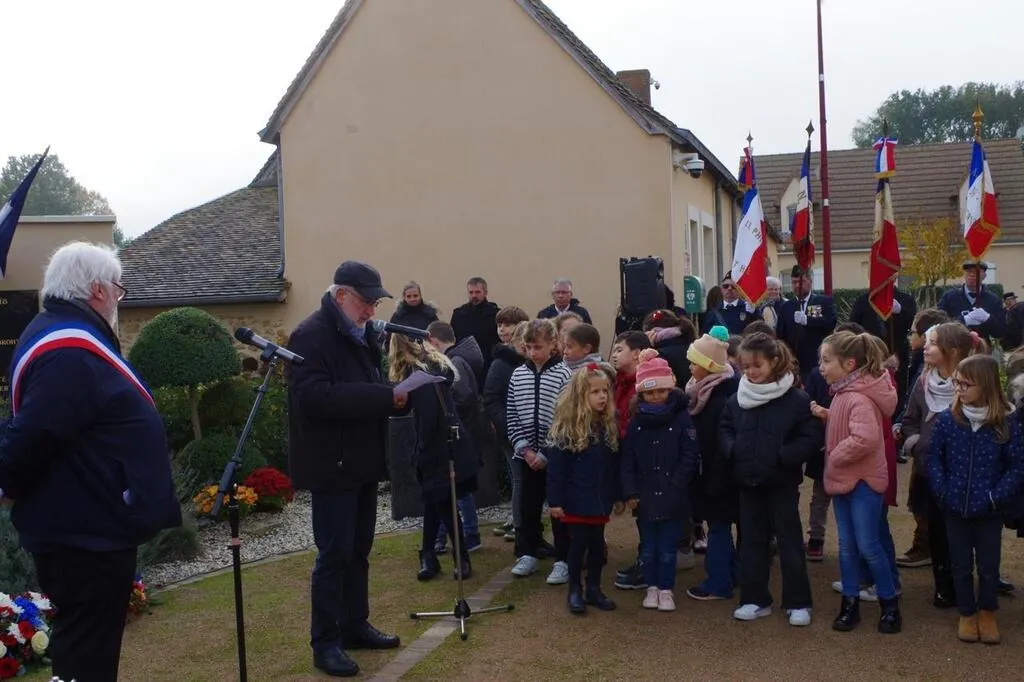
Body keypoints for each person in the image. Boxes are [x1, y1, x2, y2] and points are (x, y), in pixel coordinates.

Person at [0, 241, 181, 682]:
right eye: (118, 290)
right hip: (84, 530)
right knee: (87, 653)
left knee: (90, 648)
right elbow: (36, 432)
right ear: (98, 289)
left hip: (88, 521)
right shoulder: (69, 349)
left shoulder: (64, 334)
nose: (119, 299)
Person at [286, 261, 406, 678]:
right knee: (334, 554)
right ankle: (325, 643)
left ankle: (355, 625)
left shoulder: (358, 334)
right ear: (340, 296)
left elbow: (364, 385)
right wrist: (382, 396)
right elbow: (313, 399)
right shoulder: (310, 335)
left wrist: (394, 393)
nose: (371, 310)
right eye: (366, 301)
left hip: (361, 460)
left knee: (359, 550)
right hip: (331, 464)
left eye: (375, 303)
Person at [719, 332, 822, 627]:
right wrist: (733, 450)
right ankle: (754, 599)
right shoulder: (736, 398)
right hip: (747, 481)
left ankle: (798, 602)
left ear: (774, 362)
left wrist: (784, 456)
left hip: (781, 482)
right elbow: (725, 428)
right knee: (751, 542)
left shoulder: (796, 399)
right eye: (745, 366)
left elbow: (810, 436)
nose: (751, 372)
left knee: (790, 542)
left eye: (757, 365)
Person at [928, 354, 1024, 644]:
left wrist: (996, 497)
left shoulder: (1006, 423)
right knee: (959, 564)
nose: (959, 389)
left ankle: (987, 611)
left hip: (989, 510)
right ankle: (967, 612)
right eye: (957, 383)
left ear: (985, 385)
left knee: (988, 564)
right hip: (954, 506)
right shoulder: (948, 420)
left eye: (965, 384)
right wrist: (942, 491)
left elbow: (1017, 466)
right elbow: (934, 458)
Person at [812, 331, 901, 634]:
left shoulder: (856, 396)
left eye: (826, 361)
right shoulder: (844, 393)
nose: (821, 367)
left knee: (867, 545)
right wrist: (829, 416)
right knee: (848, 546)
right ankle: (851, 602)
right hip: (846, 481)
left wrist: (835, 454)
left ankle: (889, 603)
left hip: (862, 482)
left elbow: (865, 438)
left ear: (849, 364)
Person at [900, 322, 985, 611]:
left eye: (933, 342)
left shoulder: (975, 384)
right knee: (936, 529)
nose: (925, 346)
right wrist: (917, 444)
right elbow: (910, 419)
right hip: (930, 471)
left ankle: (973, 581)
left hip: (966, 472)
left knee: (966, 531)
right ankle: (944, 585)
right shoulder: (923, 382)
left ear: (953, 350)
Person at [388, 334, 479, 582]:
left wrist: (421, 451)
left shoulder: (416, 372)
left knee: (443, 502)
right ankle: (430, 555)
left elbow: (427, 417)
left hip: (436, 447)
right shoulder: (436, 363)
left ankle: (456, 556)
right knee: (435, 501)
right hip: (449, 441)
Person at [620, 349, 700, 612]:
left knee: (667, 549)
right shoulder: (636, 422)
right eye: (650, 392)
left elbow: (690, 454)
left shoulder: (681, 417)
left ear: (670, 388)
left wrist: (677, 484)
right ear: (641, 393)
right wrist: (630, 491)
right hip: (644, 495)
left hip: (672, 495)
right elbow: (627, 459)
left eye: (661, 391)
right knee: (648, 548)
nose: (656, 396)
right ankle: (651, 587)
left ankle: (666, 588)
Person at [546, 365, 623, 614]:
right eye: (595, 392)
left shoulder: (608, 425)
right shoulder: (566, 428)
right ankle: (574, 589)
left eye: (605, 391)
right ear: (581, 395)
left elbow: (614, 465)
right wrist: (555, 501)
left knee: (597, 545)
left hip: (599, 497)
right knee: (578, 544)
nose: (602, 397)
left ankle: (594, 588)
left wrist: (618, 495)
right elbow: (556, 469)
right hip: (575, 498)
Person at [506, 319, 572, 580]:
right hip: (527, 455)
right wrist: (524, 449)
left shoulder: (564, 374)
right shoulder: (517, 375)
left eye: (538, 347)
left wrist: (546, 452)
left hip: (555, 455)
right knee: (528, 505)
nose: (533, 352)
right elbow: (512, 415)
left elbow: (565, 418)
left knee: (558, 506)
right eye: (529, 347)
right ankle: (528, 553)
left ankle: (563, 559)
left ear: (553, 344)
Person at [682, 326, 741, 602]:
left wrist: (714, 479)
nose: (690, 367)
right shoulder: (712, 390)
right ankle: (731, 573)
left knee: (718, 526)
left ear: (708, 367)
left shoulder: (717, 400)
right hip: (715, 473)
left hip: (718, 475)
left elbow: (717, 444)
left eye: (694, 363)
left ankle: (718, 582)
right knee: (720, 525)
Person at [893, 308, 950, 566]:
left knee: (930, 500)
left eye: (914, 332)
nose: (911, 338)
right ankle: (925, 544)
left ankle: (929, 546)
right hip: (923, 446)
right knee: (921, 498)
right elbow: (912, 405)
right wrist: (907, 430)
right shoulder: (921, 367)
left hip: (941, 450)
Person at [426, 321, 485, 554]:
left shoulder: (455, 362)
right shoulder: (456, 359)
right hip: (461, 433)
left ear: (433, 340)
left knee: (460, 491)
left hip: (461, 434)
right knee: (451, 490)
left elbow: (463, 397)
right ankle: (445, 535)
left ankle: (470, 534)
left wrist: (443, 411)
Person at [608, 331, 654, 592]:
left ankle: (648, 566)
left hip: (642, 460)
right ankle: (644, 560)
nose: (614, 355)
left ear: (636, 354)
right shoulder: (620, 381)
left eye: (619, 350)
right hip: (626, 456)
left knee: (647, 514)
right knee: (641, 515)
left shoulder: (644, 384)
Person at [484, 308, 531, 541]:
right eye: (499, 325)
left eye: (507, 325)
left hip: (523, 429)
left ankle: (517, 519)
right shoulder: (502, 363)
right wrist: (507, 427)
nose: (502, 329)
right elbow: (491, 397)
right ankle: (519, 523)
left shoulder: (523, 360)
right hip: (511, 432)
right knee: (519, 478)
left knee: (520, 479)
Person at [848, 287, 917, 415]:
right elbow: (852, 328)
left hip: (897, 355)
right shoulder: (863, 301)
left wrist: (901, 311)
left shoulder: (905, 300)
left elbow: (914, 325)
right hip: (869, 357)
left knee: (897, 392)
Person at [776, 265, 837, 383]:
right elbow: (780, 336)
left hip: (817, 361)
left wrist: (807, 320)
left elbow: (830, 323)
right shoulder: (786, 307)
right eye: (794, 282)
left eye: (801, 281)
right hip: (794, 364)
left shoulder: (822, 302)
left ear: (810, 281)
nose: (797, 286)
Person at [937, 262, 1005, 345]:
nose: (972, 275)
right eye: (969, 271)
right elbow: (939, 324)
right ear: (964, 274)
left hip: (982, 348)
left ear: (984, 276)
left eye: (977, 272)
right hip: (955, 347)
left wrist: (988, 318)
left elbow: (1000, 332)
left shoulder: (993, 300)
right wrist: (964, 320)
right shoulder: (949, 297)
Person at [450, 277, 501, 380]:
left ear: (485, 293)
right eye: (471, 292)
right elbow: (453, 340)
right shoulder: (459, 314)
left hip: (488, 365)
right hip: (465, 365)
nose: (474, 296)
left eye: (477, 292)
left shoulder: (495, 314)